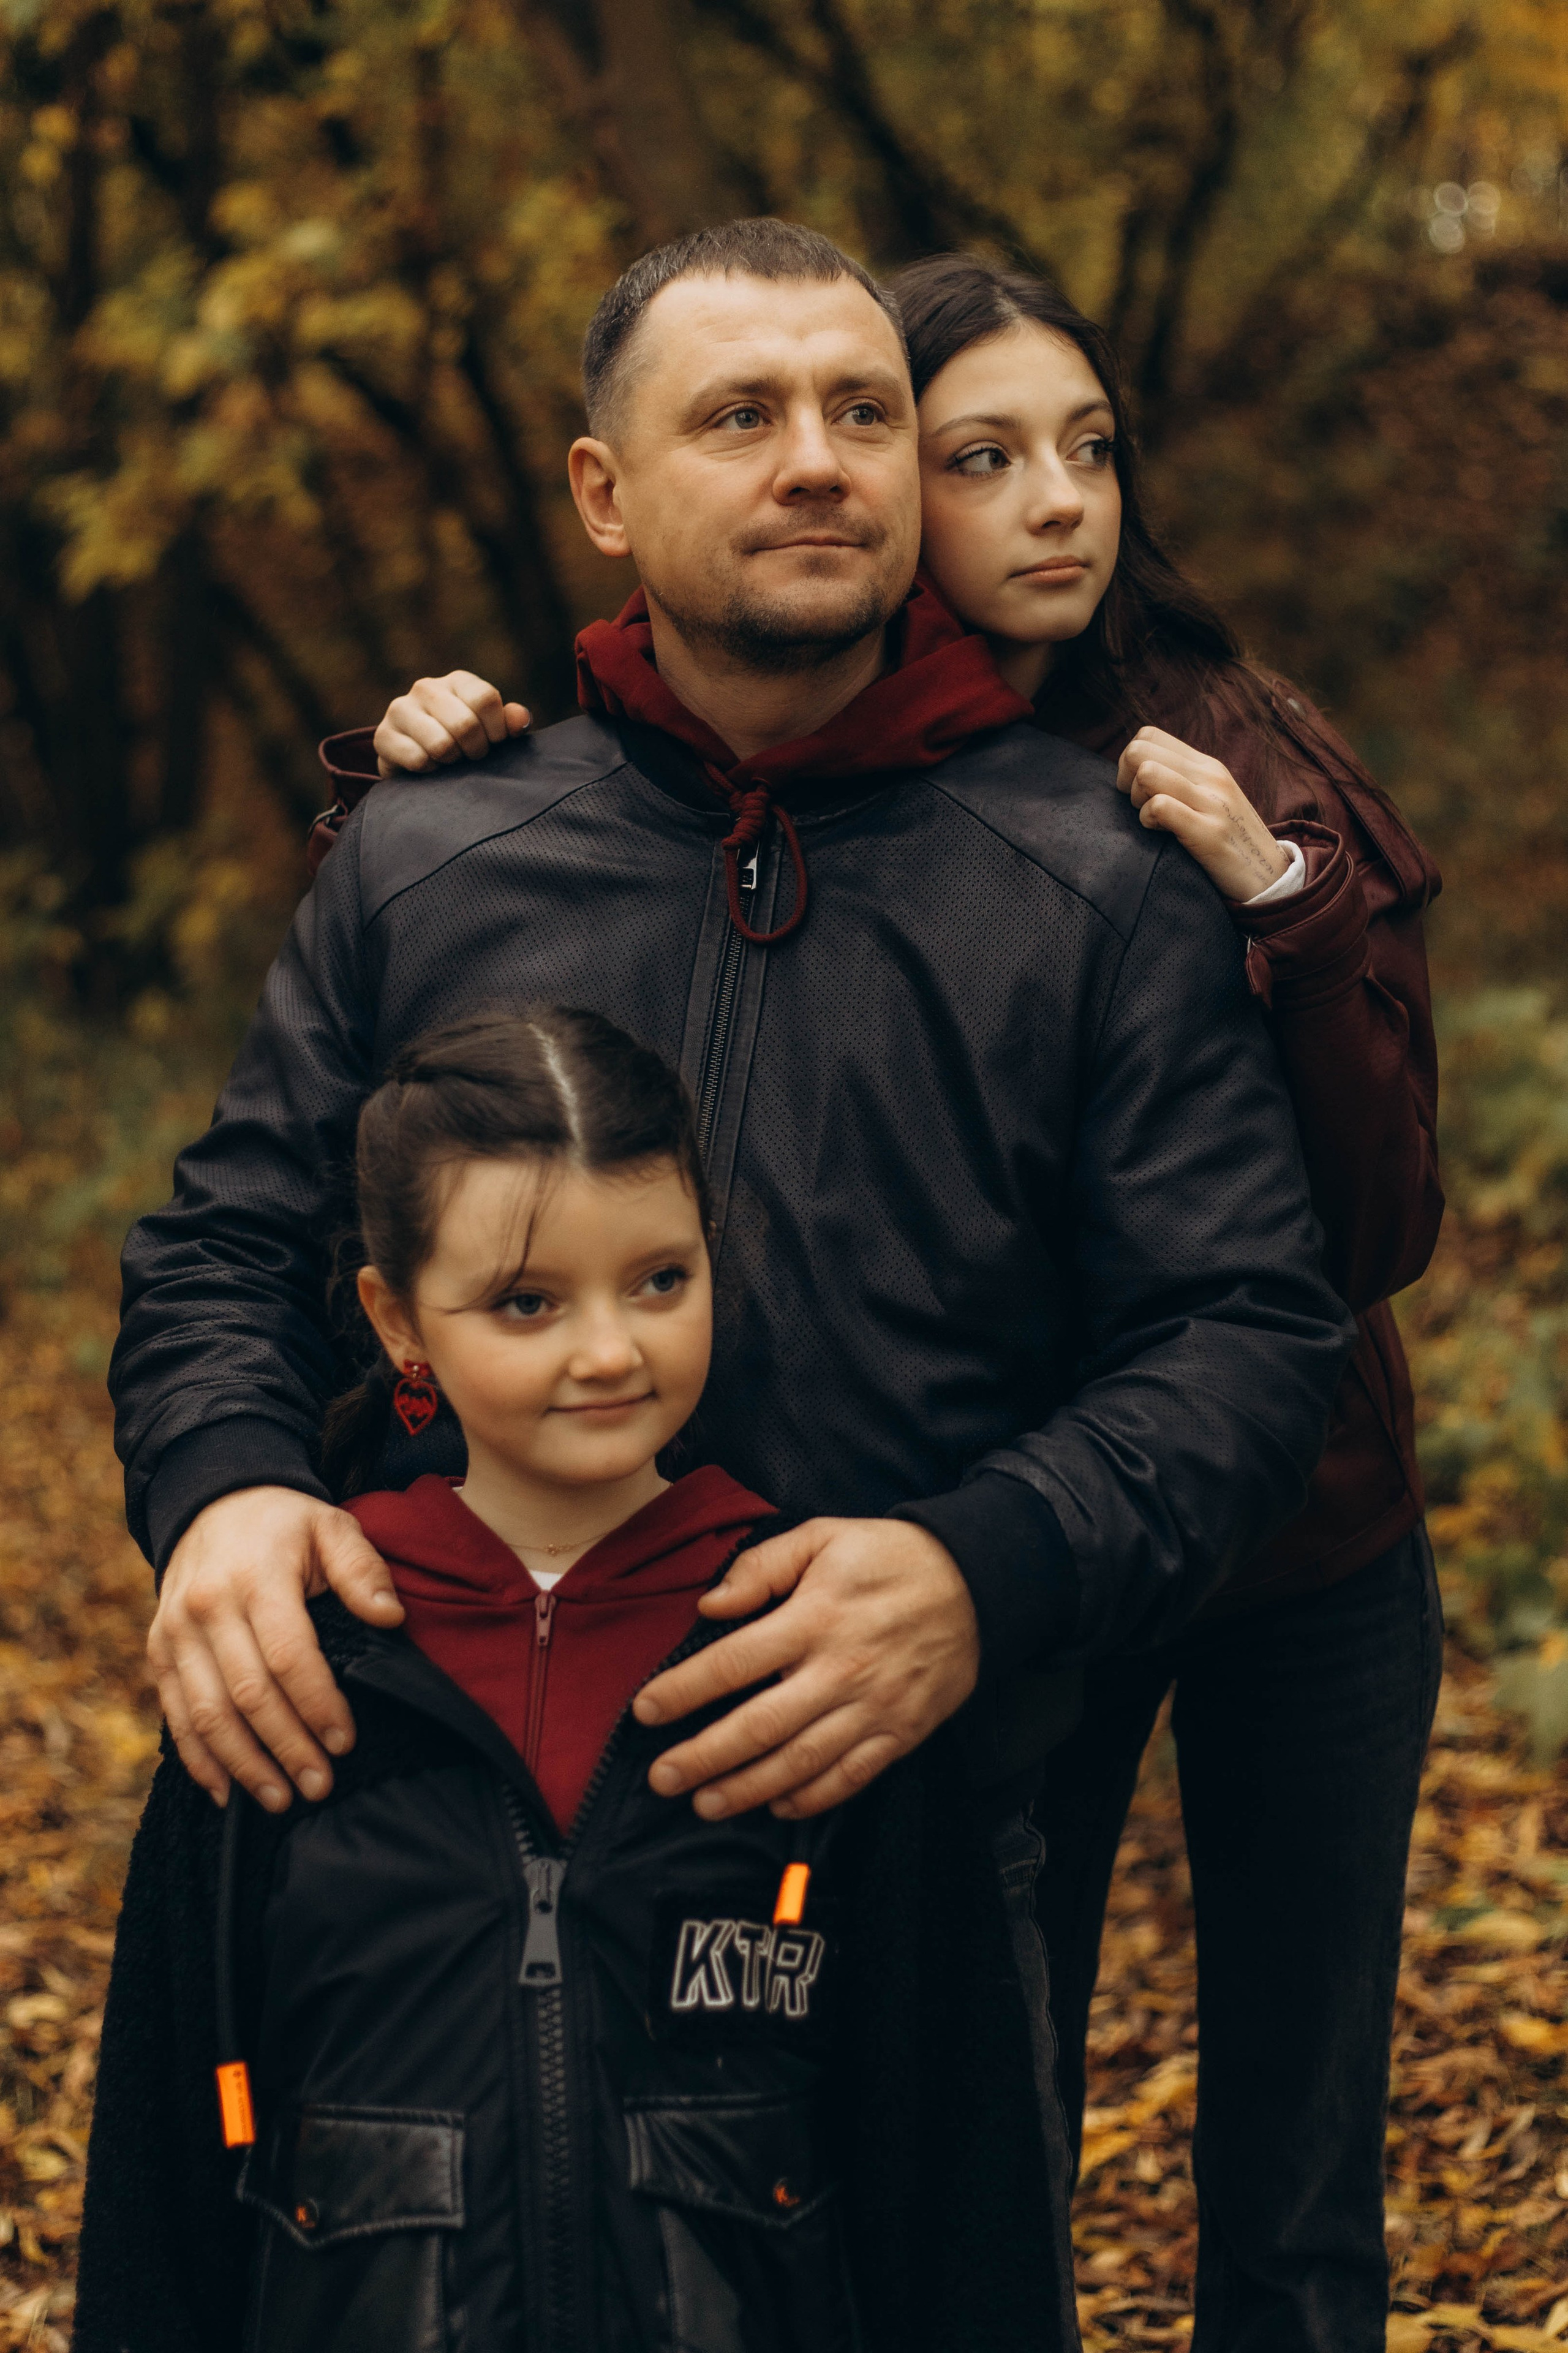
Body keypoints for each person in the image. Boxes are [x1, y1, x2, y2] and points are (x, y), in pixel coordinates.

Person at [109, 217, 1355, 2334]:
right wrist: (226, 1488)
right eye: (742, 415)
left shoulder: (1096, 886)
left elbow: (1244, 1331)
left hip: (896, 1825)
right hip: (430, 1798)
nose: (817, 461)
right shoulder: (431, 852)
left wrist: (978, 1566)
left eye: (864, 411)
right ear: (606, 492)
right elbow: (230, 1242)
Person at [78, 1007, 1069, 2353]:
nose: (609, 1350)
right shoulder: (295, 1663)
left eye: (659, 1279)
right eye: (528, 1302)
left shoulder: (818, 1652)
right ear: (398, 1321)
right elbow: (159, 2194)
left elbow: (957, 2194)